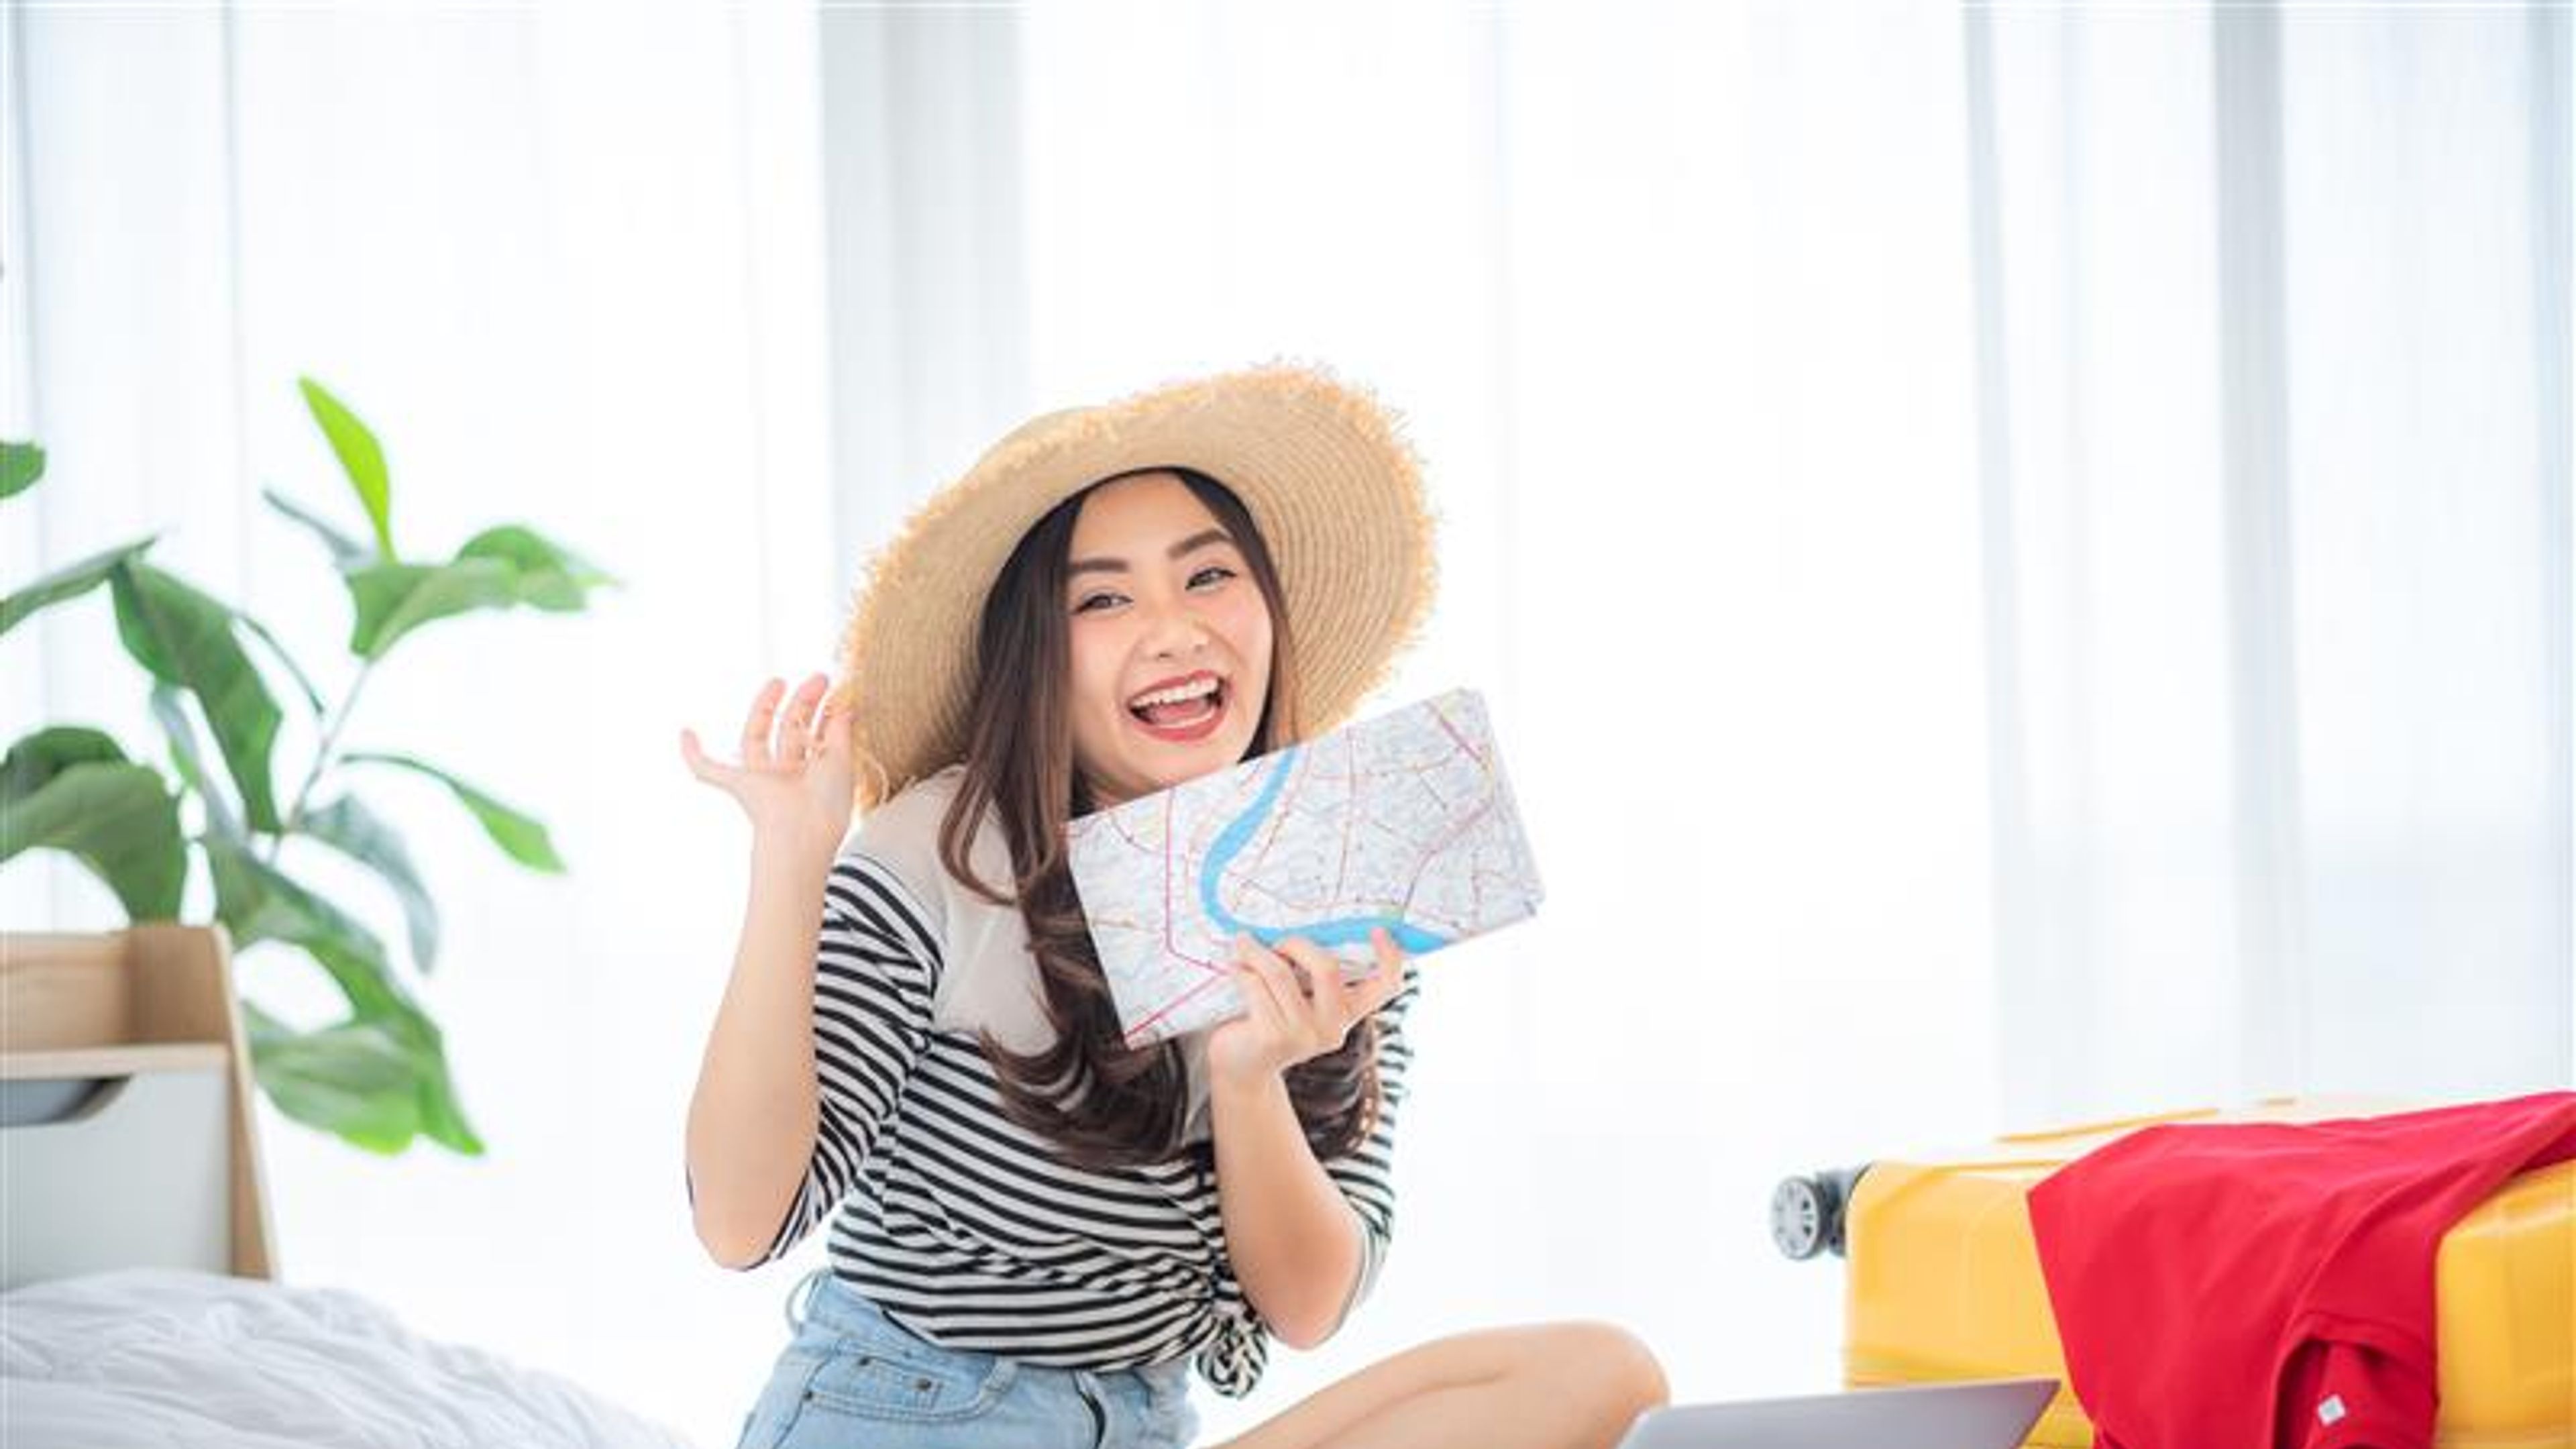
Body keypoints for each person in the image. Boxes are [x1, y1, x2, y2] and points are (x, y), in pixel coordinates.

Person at [681, 364, 1668, 1449]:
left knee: (1602, 1374)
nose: (1174, 629)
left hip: (1144, 1423)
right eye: (1103, 598)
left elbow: (1304, 1304)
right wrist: (792, 856)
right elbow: (742, 1221)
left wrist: (1248, 1079)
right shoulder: (939, 853)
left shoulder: (1339, 867)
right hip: (910, 1411)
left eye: (1208, 578)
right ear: (1037, 657)